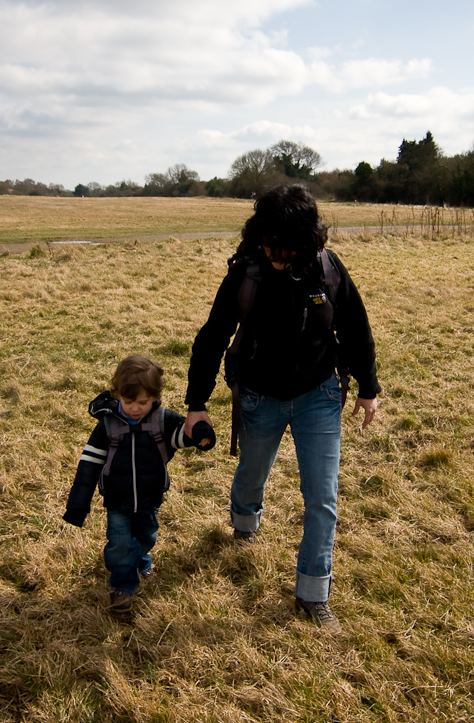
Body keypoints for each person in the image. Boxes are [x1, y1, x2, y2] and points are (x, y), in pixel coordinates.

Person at [184, 185, 381, 632]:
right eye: (269, 243)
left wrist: (368, 387)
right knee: (253, 471)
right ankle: (245, 522)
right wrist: (197, 403)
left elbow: (356, 326)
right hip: (258, 394)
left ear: (307, 242)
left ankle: (313, 592)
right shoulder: (246, 272)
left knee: (322, 497)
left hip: (319, 394)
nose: (276, 255)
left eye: (286, 248)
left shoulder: (328, 270)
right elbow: (213, 336)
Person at [64, 355, 215, 612]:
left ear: (155, 396)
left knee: (145, 535)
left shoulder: (162, 421)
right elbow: (89, 464)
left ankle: (142, 559)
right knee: (120, 542)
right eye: (128, 401)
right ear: (117, 394)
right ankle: (123, 588)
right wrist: (78, 504)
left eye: (143, 402)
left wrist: (200, 434)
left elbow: (182, 434)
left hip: (150, 497)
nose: (135, 408)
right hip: (117, 499)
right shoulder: (107, 426)